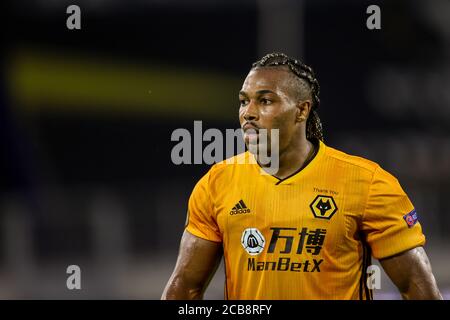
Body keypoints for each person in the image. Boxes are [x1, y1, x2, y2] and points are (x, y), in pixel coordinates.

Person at [161, 53, 442, 300]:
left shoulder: (368, 183)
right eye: (244, 101)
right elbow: (185, 287)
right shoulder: (217, 183)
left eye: (265, 101)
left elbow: (414, 286)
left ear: (302, 110)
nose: (248, 113)